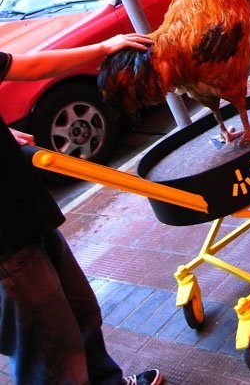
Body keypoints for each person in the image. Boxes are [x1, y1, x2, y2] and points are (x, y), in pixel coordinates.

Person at [0, 33, 164, 385]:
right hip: (5, 244)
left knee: (81, 312)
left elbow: (17, 66)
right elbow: (26, 67)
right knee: (52, 349)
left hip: (25, 208)